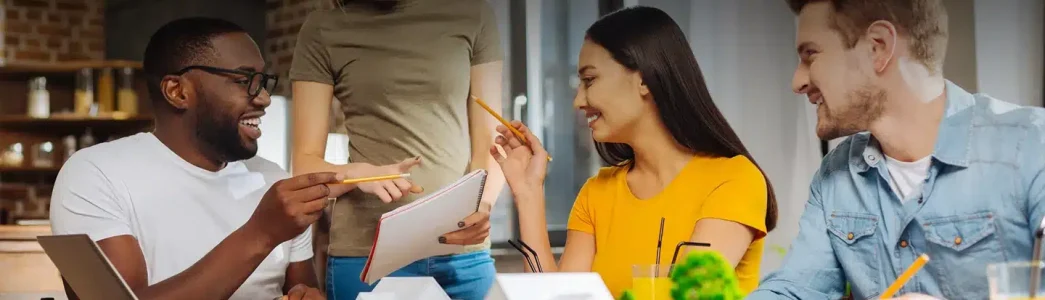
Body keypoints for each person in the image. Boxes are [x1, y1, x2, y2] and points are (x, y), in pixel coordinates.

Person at [48, 17, 410, 300]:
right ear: (178, 91)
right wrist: (261, 233)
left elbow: (301, 290)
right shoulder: (95, 174)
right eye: (244, 81)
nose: (264, 99)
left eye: (264, 81)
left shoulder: (273, 180)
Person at [748, 0, 1045, 299]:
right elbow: (795, 290)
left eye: (810, 55)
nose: (797, 82)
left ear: (877, 47)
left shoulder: (1033, 144)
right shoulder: (836, 174)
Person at [489, 6, 778, 298]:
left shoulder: (733, 180)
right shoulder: (597, 194)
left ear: (644, 79)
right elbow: (556, 298)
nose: (578, 100)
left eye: (590, 80)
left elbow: (685, 295)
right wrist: (528, 193)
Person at [287, 0, 505, 299]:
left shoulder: (473, 14)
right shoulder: (324, 28)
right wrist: (358, 174)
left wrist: (483, 207)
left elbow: (491, 143)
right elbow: (304, 165)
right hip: (368, 255)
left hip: (462, 252)